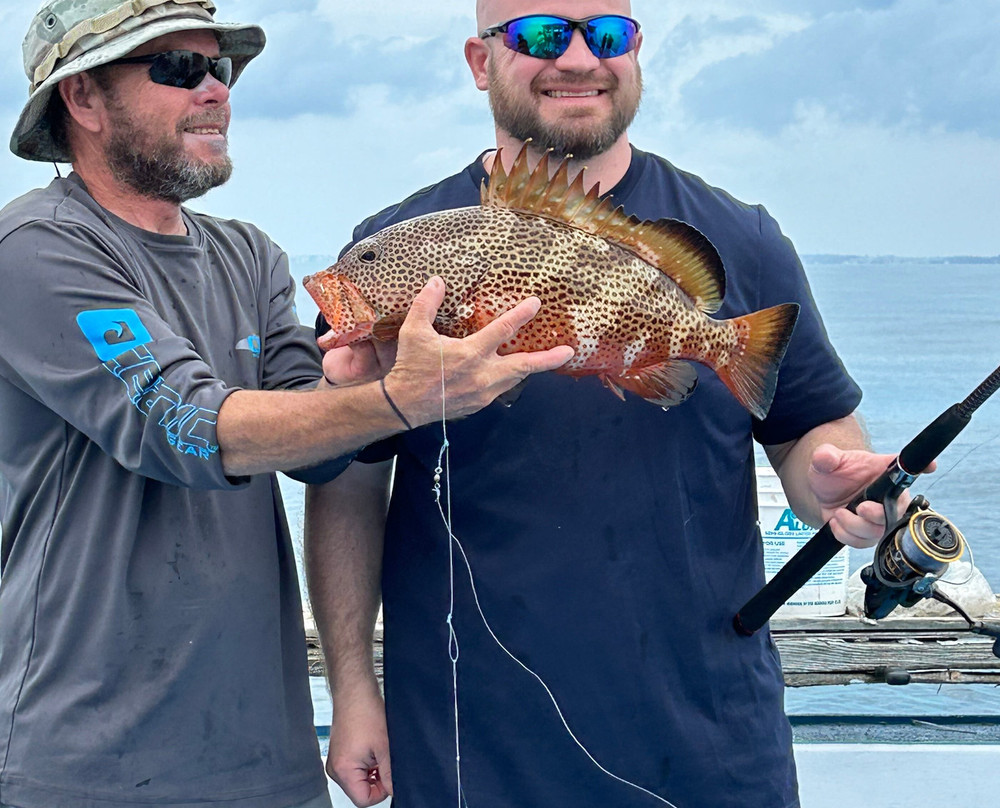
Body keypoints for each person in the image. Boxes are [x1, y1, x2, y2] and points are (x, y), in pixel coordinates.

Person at [306, 2, 904, 806]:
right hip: (467, 743)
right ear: (481, 62)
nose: (581, 57)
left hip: (710, 744)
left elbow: (808, 434)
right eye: (543, 34)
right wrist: (352, 689)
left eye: (608, 34)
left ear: (636, 54)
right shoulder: (399, 240)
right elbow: (346, 483)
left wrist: (832, 484)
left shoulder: (744, 238)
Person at [0, 1, 572, 807]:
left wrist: (358, 378)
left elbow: (317, 441)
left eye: (219, 68)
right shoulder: (35, 250)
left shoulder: (251, 254)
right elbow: (191, 428)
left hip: (269, 762)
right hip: (85, 768)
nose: (214, 92)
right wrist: (401, 399)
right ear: (83, 100)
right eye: (176, 68)